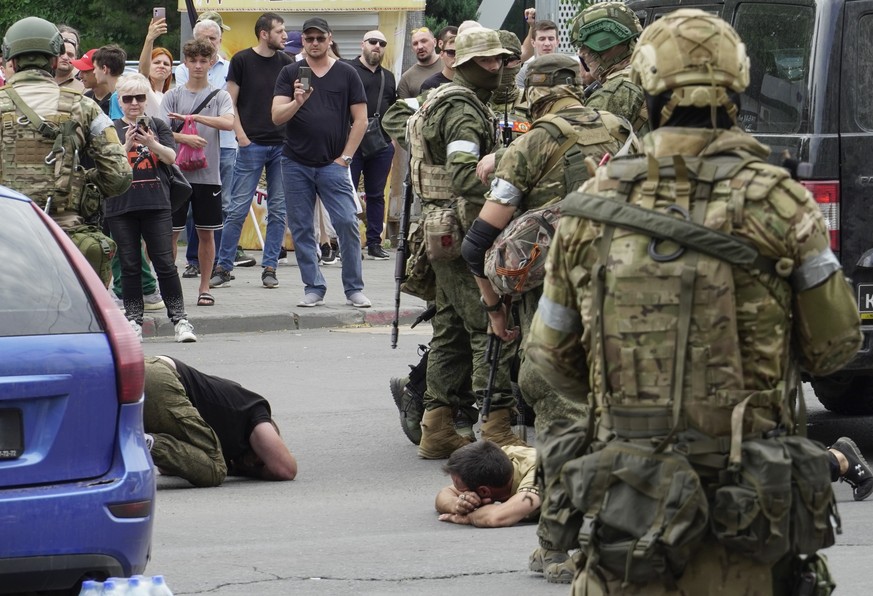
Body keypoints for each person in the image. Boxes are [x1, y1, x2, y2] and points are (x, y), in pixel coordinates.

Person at [527, 10, 862, 594]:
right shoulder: (782, 203)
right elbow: (836, 349)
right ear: (736, 89)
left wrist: (628, 404)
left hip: (631, 508)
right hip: (752, 507)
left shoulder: (588, 209)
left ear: (648, 90)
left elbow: (551, 358)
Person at [462, 53, 633, 584]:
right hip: (624, 301)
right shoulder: (625, 130)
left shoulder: (531, 142)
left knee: (560, 428)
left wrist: (494, 310)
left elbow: (477, 245)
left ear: (532, 92)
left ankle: (556, 550)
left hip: (558, 310)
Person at [384, 27, 525, 459]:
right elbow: (465, 177)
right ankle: (498, 428)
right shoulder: (463, 109)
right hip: (464, 227)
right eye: (487, 61)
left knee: (449, 330)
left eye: (500, 60)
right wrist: (509, 170)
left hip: (438, 227)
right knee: (489, 325)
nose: (497, 67)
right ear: (464, 64)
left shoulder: (437, 99)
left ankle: (437, 428)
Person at [0, 17, 131, 284]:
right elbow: (119, 177)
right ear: (54, 59)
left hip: (6, 237)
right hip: (66, 239)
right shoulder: (85, 107)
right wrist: (81, 181)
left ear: (10, 60)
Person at [272, 17, 372, 309]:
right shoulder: (290, 73)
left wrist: (346, 158)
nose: (314, 43)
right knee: (302, 229)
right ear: (302, 41)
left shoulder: (347, 73)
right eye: (309, 39)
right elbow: (277, 117)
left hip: (333, 164)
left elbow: (361, 119)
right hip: (295, 163)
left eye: (319, 38)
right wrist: (297, 102)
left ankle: (354, 288)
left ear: (330, 39)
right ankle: (313, 287)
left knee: (346, 223)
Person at [106, 74, 196, 343]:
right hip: (121, 205)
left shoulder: (157, 125)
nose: (134, 103)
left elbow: (171, 158)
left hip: (156, 203)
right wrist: (127, 145)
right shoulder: (109, 128)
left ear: (147, 99)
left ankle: (180, 319)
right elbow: (108, 166)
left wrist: (151, 142)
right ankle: (133, 319)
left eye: (140, 97)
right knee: (130, 264)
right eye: (128, 98)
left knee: (165, 263)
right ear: (119, 101)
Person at [210, 12, 292, 291]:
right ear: (264, 33)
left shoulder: (287, 62)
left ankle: (270, 267)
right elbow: (229, 101)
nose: (285, 35)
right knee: (237, 208)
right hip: (251, 144)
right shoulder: (242, 60)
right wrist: (241, 135)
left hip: (283, 146)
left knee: (279, 209)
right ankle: (223, 266)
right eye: (280, 31)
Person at [176, 15, 253, 279]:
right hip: (190, 145)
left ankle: (220, 261)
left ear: (220, 40)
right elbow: (184, 105)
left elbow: (230, 108)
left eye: (213, 38)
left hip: (226, 145)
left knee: (224, 204)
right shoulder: (183, 69)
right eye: (204, 38)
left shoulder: (231, 68)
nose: (209, 43)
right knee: (188, 202)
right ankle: (193, 260)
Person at [144, 356, 297, 487]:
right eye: (262, 459)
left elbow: (170, 467)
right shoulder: (254, 412)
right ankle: (142, 441)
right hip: (160, 377)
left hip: (142, 368)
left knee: (206, 462)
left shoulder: (224, 427)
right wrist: (251, 472)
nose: (257, 461)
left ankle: (137, 439)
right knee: (216, 470)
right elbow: (285, 469)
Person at [161, 38, 235, 308]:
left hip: (208, 175)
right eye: (193, 61)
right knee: (170, 233)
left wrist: (198, 119)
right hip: (175, 175)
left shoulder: (221, 95)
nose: (198, 66)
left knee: (207, 233)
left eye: (204, 61)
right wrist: (185, 138)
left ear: (211, 62)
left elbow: (229, 123)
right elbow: (158, 131)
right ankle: (169, 288)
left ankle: (204, 287)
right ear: (186, 63)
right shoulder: (174, 95)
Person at [346, 30, 397, 260]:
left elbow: (393, 109)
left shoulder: (389, 77)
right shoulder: (347, 70)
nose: (377, 46)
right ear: (362, 44)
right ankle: (346, 242)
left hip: (381, 143)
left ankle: (375, 242)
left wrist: (392, 140)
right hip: (351, 143)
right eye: (373, 41)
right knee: (347, 193)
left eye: (382, 43)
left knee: (376, 194)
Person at [570, 2, 650, 135]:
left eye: (584, 45)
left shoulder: (615, 91)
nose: (581, 53)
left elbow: (584, 143)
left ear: (606, 42)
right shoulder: (651, 70)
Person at [435, 440, 540, 528]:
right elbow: (445, 493)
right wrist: (458, 505)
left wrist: (468, 517)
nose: (463, 493)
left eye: (464, 491)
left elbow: (497, 517)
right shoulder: (494, 461)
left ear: (484, 491)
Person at [138, 15, 174, 117]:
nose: (161, 66)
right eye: (156, 62)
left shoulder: (170, 96)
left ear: (170, 70)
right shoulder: (145, 89)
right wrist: (149, 39)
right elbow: (142, 71)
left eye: (166, 64)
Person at [397, 26, 442, 99]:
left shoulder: (449, 65)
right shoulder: (406, 79)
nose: (420, 47)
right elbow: (404, 109)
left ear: (434, 42)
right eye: (415, 44)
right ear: (412, 49)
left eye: (424, 41)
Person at [514, 19, 558, 89]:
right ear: (533, 43)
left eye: (551, 39)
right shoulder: (525, 73)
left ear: (557, 42)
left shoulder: (568, 69)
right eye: (542, 39)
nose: (547, 44)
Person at [420, 26, 458, 93]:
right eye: (451, 52)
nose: (455, 57)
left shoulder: (472, 83)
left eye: (459, 53)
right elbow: (424, 103)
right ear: (441, 55)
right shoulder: (429, 85)